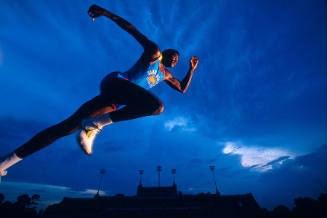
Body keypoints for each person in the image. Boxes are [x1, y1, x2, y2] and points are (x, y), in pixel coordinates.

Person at [0, 5, 199, 177]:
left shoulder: (166, 76)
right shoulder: (154, 53)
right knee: (157, 106)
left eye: (177, 59)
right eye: (172, 55)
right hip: (116, 83)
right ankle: (96, 125)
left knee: (67, 127)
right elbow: (132, 30)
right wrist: (107, 13)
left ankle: (4, 164)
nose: (174, 59)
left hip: (115, 100)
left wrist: (191, 70)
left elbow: (181, 88)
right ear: (164, 54)